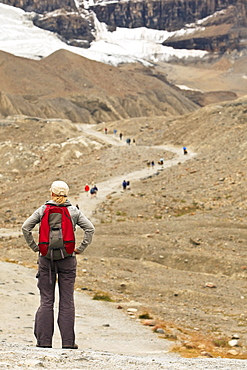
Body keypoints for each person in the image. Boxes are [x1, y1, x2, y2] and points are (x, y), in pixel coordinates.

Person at [22, 180, 95, 350]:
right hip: (68, 259)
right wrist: (81, 248)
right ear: (66, 194)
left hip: (46, 259)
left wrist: (36, 248)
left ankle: (44, 342)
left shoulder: (43, 210)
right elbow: (90, 229)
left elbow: (26, 228)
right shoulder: (73, 211)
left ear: (51, 193)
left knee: (47, 300)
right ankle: (68, 343)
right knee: (67, 301)